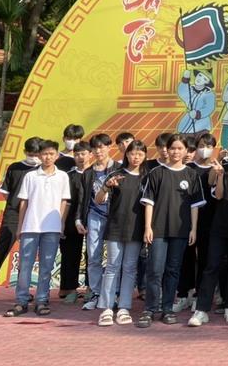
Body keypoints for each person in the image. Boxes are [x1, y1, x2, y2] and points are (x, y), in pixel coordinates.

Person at [138, 134, 206, 327]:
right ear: (167, 150)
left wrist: (193, 229)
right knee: (155, 270)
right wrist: (148, 227)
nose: (176, 152)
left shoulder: (191, 174)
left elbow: (194, 205)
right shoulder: (156, 173)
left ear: (186, 151)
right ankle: (150, 309)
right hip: (158, 230)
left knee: (173, 270)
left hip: (181, 231)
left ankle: (167, 309)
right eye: (173, 148)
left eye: (180, 148)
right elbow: (149, 202)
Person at [0, 136, 42, 309]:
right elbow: (5, 192)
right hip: (13, 215)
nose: (34, 157)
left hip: (35, 216)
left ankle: (24, 293)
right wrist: (15, 206)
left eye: (37, 154)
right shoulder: (15, 168)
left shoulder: (43, 170)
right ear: (25, 152)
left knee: (28, 256)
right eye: (31, 153)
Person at [3, 139, 71, 317]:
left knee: (46, 265)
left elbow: (64, 201)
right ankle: (21, 300)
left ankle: (41, 300)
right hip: (30, 226)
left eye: (51, 154)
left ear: (57, 155)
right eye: (44, 154)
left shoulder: (62, 176)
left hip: (52, 227)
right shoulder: (30, 176)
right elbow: (23, 202)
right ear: (40, 156)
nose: (48, 157)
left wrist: (61, 223)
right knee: (25, 265)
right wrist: (20, 226)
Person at [189, 136, 228, 326]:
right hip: (219, 226)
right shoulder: (225, 169)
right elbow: (218, 195)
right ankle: (201, 310)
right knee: (212, 266)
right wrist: (221, 176)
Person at [96, 140, 148, 326]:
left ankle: (124, 307)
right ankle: (107, 308)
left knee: (130, 267)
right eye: (133, 153)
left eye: (140, 154)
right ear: (126, 154)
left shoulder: (147, 177)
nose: (136, 157)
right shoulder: (116, 175)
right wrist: (106, 187)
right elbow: (98, 199)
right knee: (112, 266)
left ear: (145, 156)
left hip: (136, 228)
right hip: (116, 227)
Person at [174, 133, 218, 312]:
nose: (204, 149)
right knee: (186, 257)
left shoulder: (216, 168)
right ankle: (184, 294)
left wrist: (217, 172)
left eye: (208, 146)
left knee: (205, 259)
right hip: (187, 219)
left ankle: (200, 295)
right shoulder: (189, 168)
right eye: (201, 145)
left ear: (214, 148)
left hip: (209, 220)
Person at [79, 133, 116, 310]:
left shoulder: (119, 169)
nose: (98, 151)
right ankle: (95, 293)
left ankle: (112, 294)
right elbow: (82, 198)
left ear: (109, 147)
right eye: (95, 148)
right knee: (94, 257)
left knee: (114, 259)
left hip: (115, 217)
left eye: (102, 147)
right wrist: (79, 219)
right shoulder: (88, 173)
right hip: (94, 216)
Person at [60, 140, 91, 304]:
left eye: (83, 154)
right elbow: (65, 201)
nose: (80, 157)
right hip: (71, 220)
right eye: (77, 154)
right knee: (70, 254)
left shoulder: (96, 173)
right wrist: (62, 222)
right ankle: (69, 288)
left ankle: (91, 288)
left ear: (90, 154)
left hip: (92, 220)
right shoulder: (68, 176)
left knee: (92, 255)